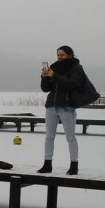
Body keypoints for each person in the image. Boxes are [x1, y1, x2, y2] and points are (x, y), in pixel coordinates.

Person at [39, 45, 88, 175]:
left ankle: (74, 165)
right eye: (58, 55)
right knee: (49, 137)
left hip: (67, 106)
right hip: (51, 106)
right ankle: (47, 164)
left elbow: (71, 84)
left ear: (69, 55)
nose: (59, 57)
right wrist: (44, 77)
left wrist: (54, 75)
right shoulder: (54, 68)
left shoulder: (76, 68)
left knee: (70, 137)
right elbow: (45, 89)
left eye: (62, 55)